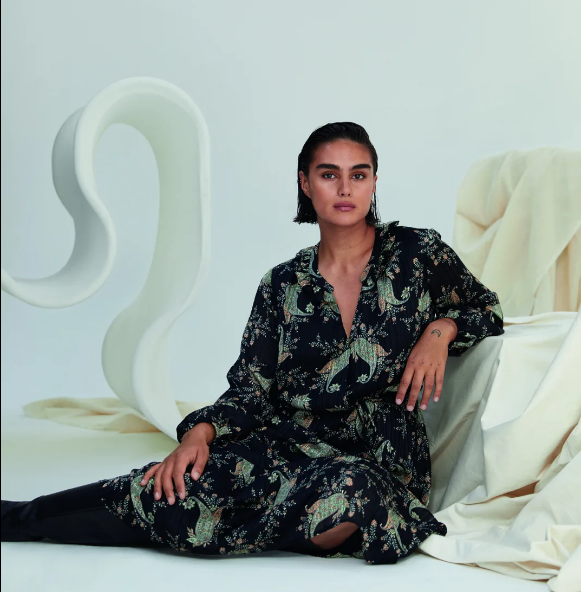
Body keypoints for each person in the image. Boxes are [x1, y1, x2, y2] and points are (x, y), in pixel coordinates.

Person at [1, 122, 504, 564]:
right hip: (286, 449)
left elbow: (487, 309)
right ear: (305, 184)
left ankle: (209, 523)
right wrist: (199, 435)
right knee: (165, 485)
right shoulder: (282, 284)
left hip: (377, 462)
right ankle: (20, 517)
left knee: (352, 494)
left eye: (359, 174)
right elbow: (251, 389)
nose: (345, 188)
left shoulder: (417, 252)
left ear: (374, 182)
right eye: (328, 174)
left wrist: (440, 331)